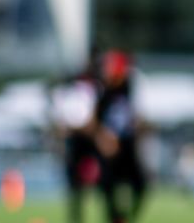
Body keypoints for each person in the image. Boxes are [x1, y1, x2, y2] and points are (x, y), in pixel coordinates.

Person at [93, 49, 146, 223]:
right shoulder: (102, 92)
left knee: (140, 183)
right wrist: (104, 139)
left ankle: (126, 216)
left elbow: (136, 116)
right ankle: (115, 217)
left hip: (127, 145)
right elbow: (94, 121)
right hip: (108, 148)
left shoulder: (130, 87)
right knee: (107, 185)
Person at [50, 51, 103, 223]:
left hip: (88, 143)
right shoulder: (76, 89)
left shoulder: (92, 88)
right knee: (76, 189)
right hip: (77, 144)